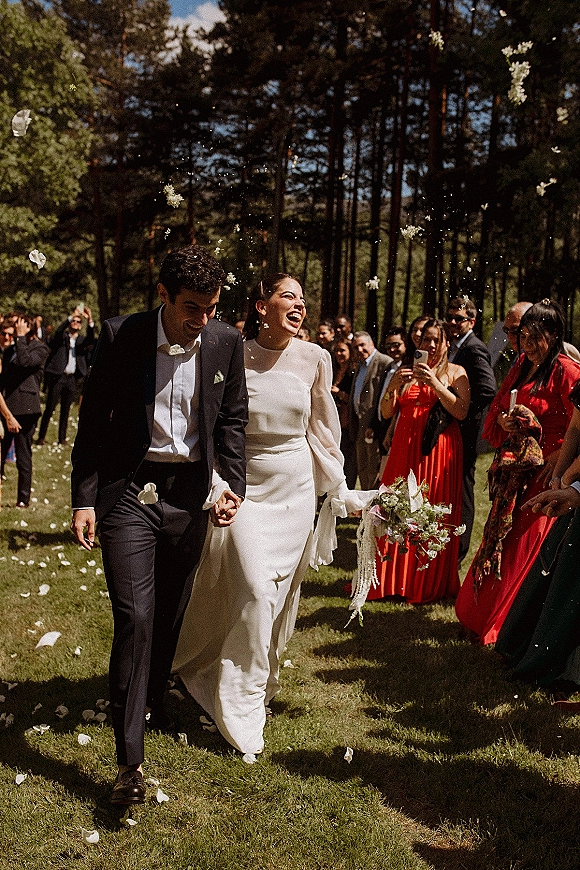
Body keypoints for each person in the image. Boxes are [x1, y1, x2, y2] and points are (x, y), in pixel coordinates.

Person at [70, 246, 248, 805]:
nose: (202, 321)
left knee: (170, 607)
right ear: (163, 296)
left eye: (211, 308)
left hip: (191, 494)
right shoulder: (121, 334)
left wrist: (231, 486)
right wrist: (84, 498)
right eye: (192, 308)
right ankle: (129, 763)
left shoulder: (225, 342)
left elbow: (233, 420)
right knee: (136, 615)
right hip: (129, 490)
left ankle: (149, 696)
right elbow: (95, 418)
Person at [174, 274, 367, 759]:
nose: (299, 306)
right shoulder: (230, 351)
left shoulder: (316, 359)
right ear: (262, 306)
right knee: (256, 590)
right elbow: (212, 424)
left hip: (295, 488)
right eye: (288, 297)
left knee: (276, 597)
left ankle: (249, 683)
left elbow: (324, 430)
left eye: (303, 299)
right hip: (242, 486)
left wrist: (339, 487)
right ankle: (236, 697)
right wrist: (215, 482)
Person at [455, 300, 580, 645]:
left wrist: (559, 458)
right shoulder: (524, 365)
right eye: (520, 334)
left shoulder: (568, 372)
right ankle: (479, 615)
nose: (524, 342)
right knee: (500, 540)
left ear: (553, 335)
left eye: (533, 336)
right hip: (515, 472)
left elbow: (577, 426)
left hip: (547, 473)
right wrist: (502, 420)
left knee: (527, 548)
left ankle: (507, 626)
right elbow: (497, 405)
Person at [370, 319, 469, 603]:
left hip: (436, 451)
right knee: (396, 511)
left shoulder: (455, 372)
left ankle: (425, 582)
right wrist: (392, 386)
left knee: (429, 510)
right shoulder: (406, 373)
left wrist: (435, 382)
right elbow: (387, 411)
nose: (431, 345)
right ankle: (392, 581)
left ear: (447, 343)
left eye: (437, 340)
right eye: (426, 340)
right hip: (403, 449)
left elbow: (461, 411)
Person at [445, 296, 497, 564]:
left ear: (472, 322)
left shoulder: (474, 348)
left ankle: (460, 551)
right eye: (450, 317)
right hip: (456, 427)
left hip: (466, 428)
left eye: (459, 318)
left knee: (464, 487)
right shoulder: (455, 346)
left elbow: (488, 389)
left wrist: (462, 409)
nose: (453, 322)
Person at [0, 315, 49, 506]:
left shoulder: (41, 348)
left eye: (21, 326)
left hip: (26, 410)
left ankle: (23, 499)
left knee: (23, 456)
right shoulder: (12, 348)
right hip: (8, 406)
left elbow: (24, 361)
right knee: (1, 452)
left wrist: (20, 337)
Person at [37, 307, 96, 445]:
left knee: (66, 409)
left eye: (78, 321)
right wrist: (71, 316)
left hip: (72, 378)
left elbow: (91, 339)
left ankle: (62, 438)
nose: (75, 323)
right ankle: (41, 437)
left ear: (81, 325)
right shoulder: (62, 337)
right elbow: (57, 332)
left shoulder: (81, 341)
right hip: (59, 376)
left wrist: (90, 320)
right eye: (73, 321)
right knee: (50, 408)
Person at [348, 331, 391, 489]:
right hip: (360, 426)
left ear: (371, 343)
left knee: (374, 470)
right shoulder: (360, 365)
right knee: (363, 469)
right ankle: (365, 509)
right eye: (355, 347)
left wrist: (374, 424)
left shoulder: (384, 362)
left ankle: (373, 510)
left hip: (373, 427)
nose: (359, 350)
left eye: (362, 345)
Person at [331, 339, 357, 489]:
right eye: (337, 351)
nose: (339, 354)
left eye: (342, 351)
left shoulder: (353, 372)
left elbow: (354, 398)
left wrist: (339, 393)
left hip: (346, 423)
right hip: (334, 421)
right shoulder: (335, 370)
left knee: (347, 461)